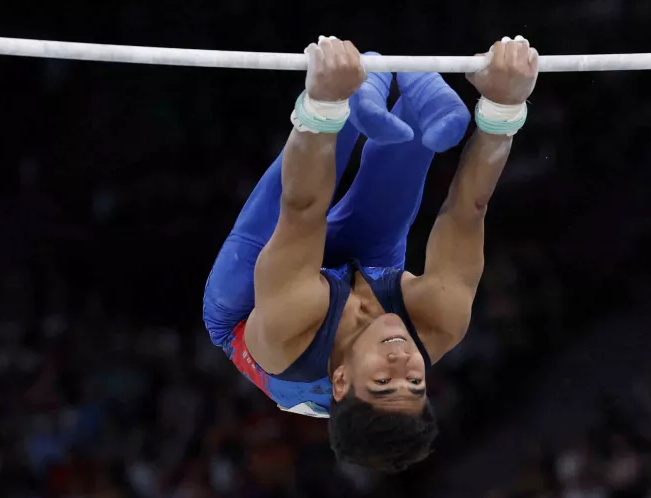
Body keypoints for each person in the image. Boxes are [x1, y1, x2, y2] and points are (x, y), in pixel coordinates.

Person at [203, 35, 539, 472]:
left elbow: (302, 210)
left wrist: (322, 103)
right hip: (353, 283)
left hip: (248, 305)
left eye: (383, 381)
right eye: (415, 382)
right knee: (417, 141)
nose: (402, 362)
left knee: (332, 116)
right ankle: (412, 93)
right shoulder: (437, 322)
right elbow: (467, 211)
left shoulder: (288, 334)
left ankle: (368, 78)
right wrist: (502, 110)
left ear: (340, 380)